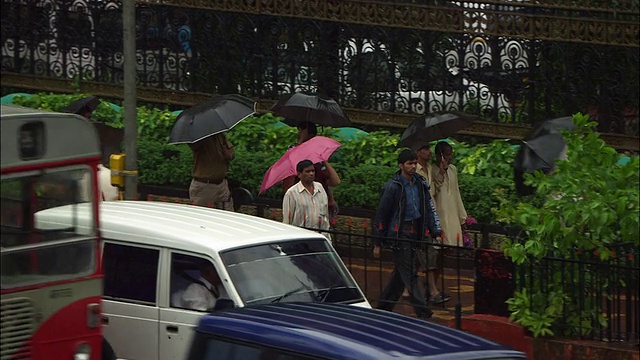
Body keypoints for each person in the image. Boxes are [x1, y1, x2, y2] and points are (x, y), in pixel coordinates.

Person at [372, 149, 442, 319]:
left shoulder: (420, 183)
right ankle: (422, 309)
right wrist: (377, 242)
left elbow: (427, 208)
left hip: (416, 230)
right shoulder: (393, 186)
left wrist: (435, 230)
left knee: (401, 272)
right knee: (409, 271)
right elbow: (382, 213)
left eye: (414, 163)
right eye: (409, 164)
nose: (413, 166)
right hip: (399, 232)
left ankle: (384, 306)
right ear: (401, 165)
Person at [282, 121, 340, 223]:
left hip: (317, 197)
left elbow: (334, 181)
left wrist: (323, 159)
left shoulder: (318, 159)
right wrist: (301, 142)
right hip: (300, 197)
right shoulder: (293, 151)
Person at [415, 143, 450, 305]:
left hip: (428, 216)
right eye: (426, 149)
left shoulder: (429, 168)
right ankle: (432, 291)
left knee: (425, 255)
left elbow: (433, 190)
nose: (429, 152)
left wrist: (441, 172)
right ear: (418, 152)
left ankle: (412, 290)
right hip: (417, 218)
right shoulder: (414, 169)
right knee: (425, 254)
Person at [282, 159, 331, 238]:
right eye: (307, 171)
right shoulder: (292, 193)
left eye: (313, 171)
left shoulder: (320, 188)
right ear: (299, 174)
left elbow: (325, 214)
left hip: (320, 236)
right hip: (300, 237)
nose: (311, 174)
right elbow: (287, 220)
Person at [432, 141, 468, 247]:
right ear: (439, 156)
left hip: (453, 213)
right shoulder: (432, 169)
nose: (450, 157)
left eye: (451, 154)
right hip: (440, 211)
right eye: (447, 154)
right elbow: (433, 190)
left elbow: (456, 193)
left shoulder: (453, 169)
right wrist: (441, 173)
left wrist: (462, 218)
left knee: (454, 243)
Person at [188, 133, 235, 210]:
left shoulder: (220, 135)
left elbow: (231, 154)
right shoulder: (199, 136)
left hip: (222, 185)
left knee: (228, 216)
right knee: (205, 217)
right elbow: (194, 145)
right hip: (205, 186)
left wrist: (226, 152)